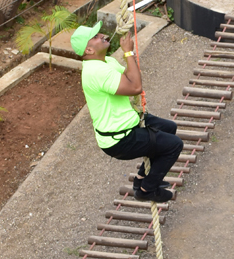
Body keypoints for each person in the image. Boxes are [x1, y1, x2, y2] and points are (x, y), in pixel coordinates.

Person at [70, 21, 183, 202]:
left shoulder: (107, 61)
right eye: (96, 37)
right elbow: (135, 87)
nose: (102, 36)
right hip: (119, 139)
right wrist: (128, 53)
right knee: (174, 145)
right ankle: (147, 190)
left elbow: (132, 77)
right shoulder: (96, 72)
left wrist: (128, 56)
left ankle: (140, 180)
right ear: (89, 51)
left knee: (169, 127)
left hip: (129, 122)